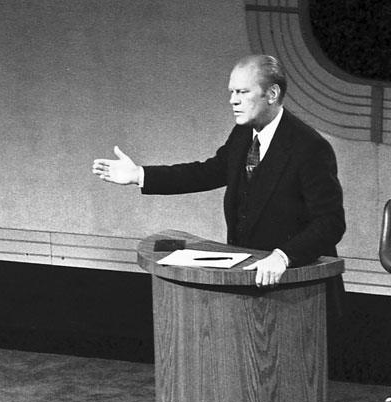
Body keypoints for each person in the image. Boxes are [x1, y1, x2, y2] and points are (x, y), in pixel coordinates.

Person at [91, 54, 345, 289]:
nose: (232, 100)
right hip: (249, 279)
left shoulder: (310, 147)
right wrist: (140, 175)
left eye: (243, 92)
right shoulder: (244, 133)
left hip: (301, 287)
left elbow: (331, 222)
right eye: (232, 92)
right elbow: (209, 171)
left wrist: (283, 256)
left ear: (272, 93)